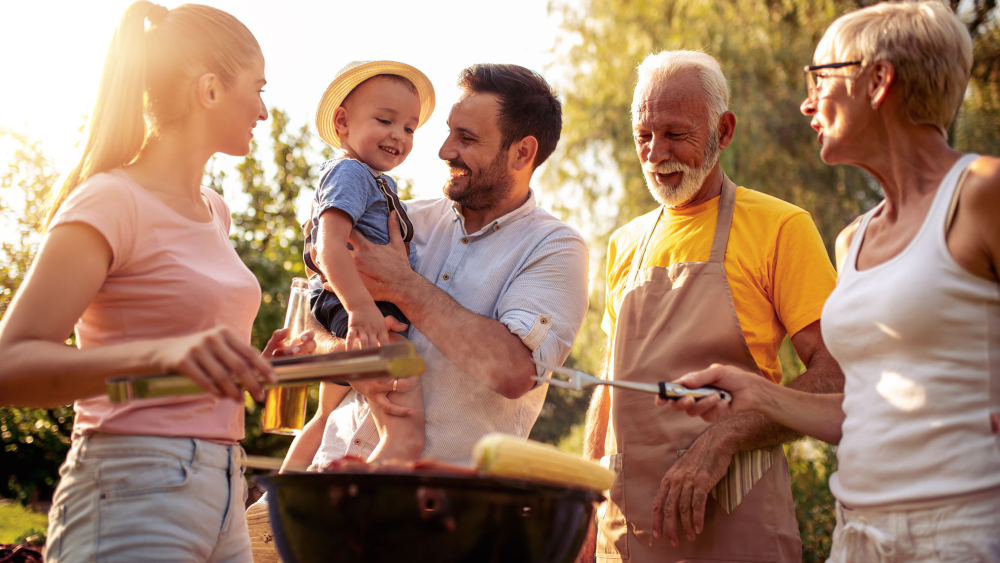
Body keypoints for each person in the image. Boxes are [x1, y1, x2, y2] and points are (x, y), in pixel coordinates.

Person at [665, 2, 1000, 561]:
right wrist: (760, 396)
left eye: (819, 77)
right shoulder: (853, 240)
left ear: (878, 80)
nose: (805, 102)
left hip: (962, 532)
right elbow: (859, 411)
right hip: (859, 535)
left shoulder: (981, 194)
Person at [0, 3, 313, 562]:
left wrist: (247, 361)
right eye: (258, 88)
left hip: (222, 483)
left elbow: (182, 346)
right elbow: (10, 367)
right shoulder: (110, 200)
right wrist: (167, 353)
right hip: (130, 483)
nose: (264, 111)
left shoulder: (215, 210)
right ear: (210, 90)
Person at [245, 63, 589, 561]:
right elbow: (324, 317)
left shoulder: (555, 248)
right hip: (329, 499)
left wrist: (404, 285)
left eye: (465, 138)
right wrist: (339, 353)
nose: (444, 149)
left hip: (441, 530)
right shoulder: (401, 216)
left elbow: (513, 370)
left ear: (523, 152)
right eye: (448, 133)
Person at [579, 50, 844, 563]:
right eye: (644, 136)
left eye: (676, 134)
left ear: (723, 132)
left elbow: (836, 375)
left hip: (738, 514)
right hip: (625, 531)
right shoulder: (624, 243)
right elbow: (608, 389)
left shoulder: (781, 226)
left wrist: (720, 440)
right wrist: (586, 507)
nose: (656, 153)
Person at [303, 60, 435, 461]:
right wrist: (362, 310)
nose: (399, 135)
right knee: (405, 432)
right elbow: (328, 247)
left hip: (355, 302)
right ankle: (365, 490)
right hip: (359, 303)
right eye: (385, 120)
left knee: (325, 414)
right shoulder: (351, 173)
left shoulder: (375, 179)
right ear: (342, 122)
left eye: (409, 128)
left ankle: (276, 499)